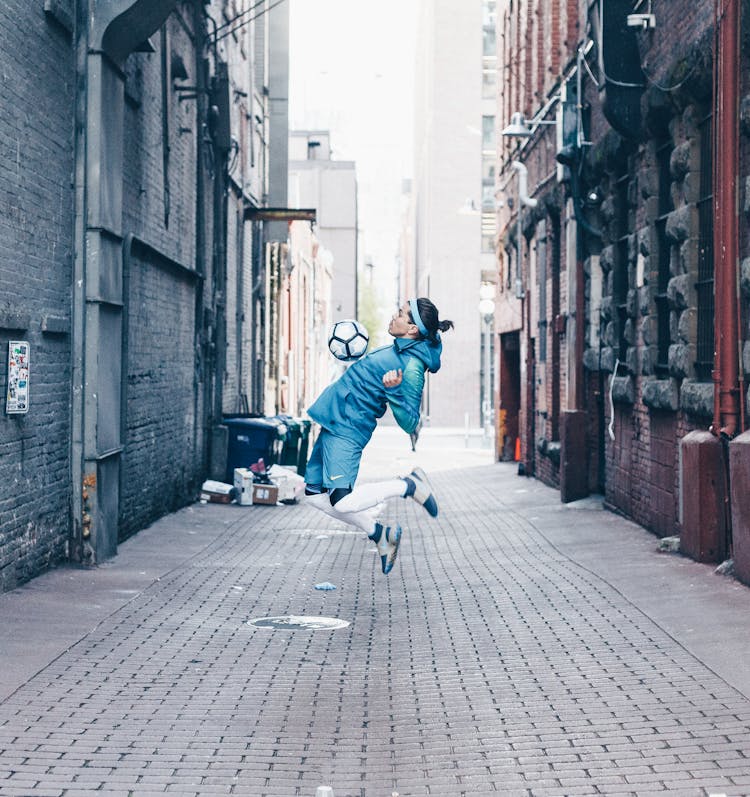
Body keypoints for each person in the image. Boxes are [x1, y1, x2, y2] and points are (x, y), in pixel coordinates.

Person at [304, 297, 454, 575]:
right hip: (335, 417)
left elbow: (410, 421)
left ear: (411, 329)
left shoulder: (412, 367)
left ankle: (408, 485)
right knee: (314, 495)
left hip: (348, 428)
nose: (394, 316)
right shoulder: (404, 345)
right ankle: (380, 535)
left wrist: (394, 391)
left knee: (343, 501)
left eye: (401, 314)